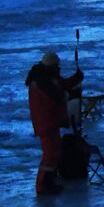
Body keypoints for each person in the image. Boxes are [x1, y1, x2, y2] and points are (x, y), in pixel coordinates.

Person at [26, 51, 83, 196]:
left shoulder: (45, 77)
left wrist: (76, 78)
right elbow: (56, 95)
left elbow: (61, 85)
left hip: (50, 121)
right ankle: (42, 185)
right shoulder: (42, 81)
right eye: (57, 66)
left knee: (54, 153)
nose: (59, 69)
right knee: (50, 154)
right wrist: (69, 94)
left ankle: (48, 183)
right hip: (46, 122)